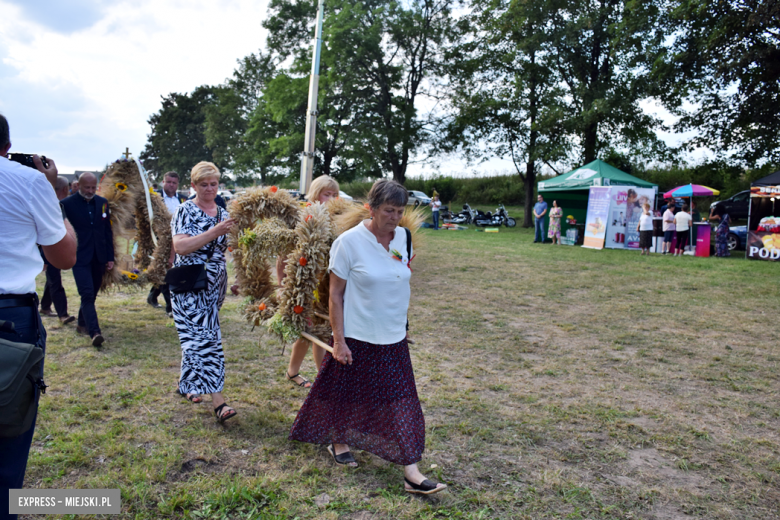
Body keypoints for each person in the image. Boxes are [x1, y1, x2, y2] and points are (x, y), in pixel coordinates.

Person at [290, 179, 447, 495]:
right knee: (346, 392)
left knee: (402, 400)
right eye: (389, 210)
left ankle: (411, 473)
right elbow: (335, 295)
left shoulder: (403, 236)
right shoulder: (349, 243)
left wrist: (401, 321)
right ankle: (338, 441)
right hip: (358, 336)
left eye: (400, 211)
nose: (395, 217)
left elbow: (399, 278)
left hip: (393, 336)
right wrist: (339, 340)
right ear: (371, 208)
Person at [0, 114, 77, 520]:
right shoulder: (27, 181)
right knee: (7, 436)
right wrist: (49, 191)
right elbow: (64, 256)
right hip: (10, 319)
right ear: (8, 148)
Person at [171, 161, 237, 423]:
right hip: (191, 284)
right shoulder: (184, 210)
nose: (209, 189)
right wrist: (215, 232)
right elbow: (181, 247)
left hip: (215, 285)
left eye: (213, 184)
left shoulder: (222, 212)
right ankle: (219, 403)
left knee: (197, 334)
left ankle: (186, 384)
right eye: (203, 184)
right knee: (207, 338)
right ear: (193, 185)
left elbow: (228, 248)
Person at [280, 175, 340, 389]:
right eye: (327, 194)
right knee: (310, 330)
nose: (332, 198)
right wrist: (283, 285)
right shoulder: (305, 217)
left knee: (317, 330)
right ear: (315, 194)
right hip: (304, 285)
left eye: (335, 194)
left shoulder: (336, 220)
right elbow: (285, 254)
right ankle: (319, 378)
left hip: (325, 284)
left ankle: (295, 372)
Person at [61, 172, 114, 347]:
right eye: (86, 188)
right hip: (79, 256)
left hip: (99, 256)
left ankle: (82, 323)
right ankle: (95, 332)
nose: (90, 191)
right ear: (79, 185)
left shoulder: (102, 203)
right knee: (86, 293)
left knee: (92, 293)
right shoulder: (66, 205)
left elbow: (107, 231)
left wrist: (110, 256)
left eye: (93, 187)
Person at [147, 171, 187, 316]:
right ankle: (171, 306)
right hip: (160, 240)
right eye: (168, 182)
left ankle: (153, 295)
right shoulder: (154, 198)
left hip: (179, 239)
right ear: (163, 182)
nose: (171, 185)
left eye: (174, 183)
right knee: (165, 270)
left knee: (170, 270)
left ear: (178, 184)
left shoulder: (183, 200)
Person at [39, 176, 75, 324]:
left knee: (52, 279)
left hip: (53, 248)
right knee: (55, 281)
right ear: (66, 189)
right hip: (51, 249)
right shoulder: (55, 206)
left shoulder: (47, 203)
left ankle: (45, 307)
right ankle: (63, 314)